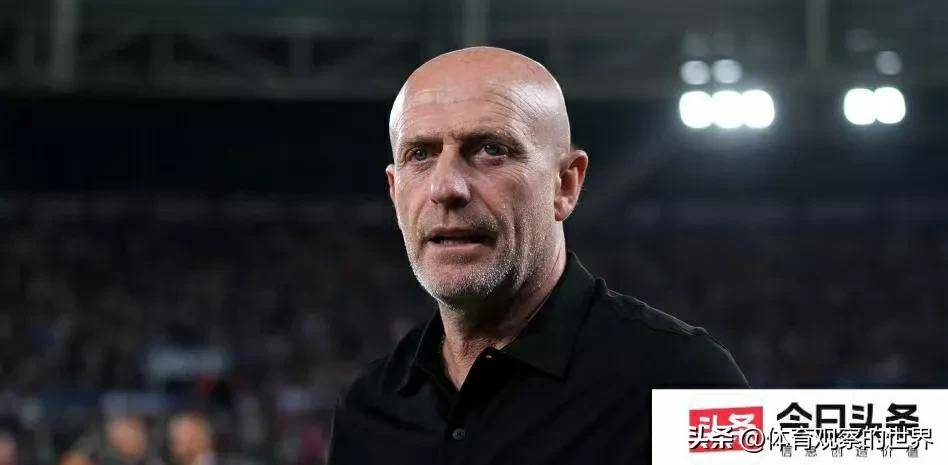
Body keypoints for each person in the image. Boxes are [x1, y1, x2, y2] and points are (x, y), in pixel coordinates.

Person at [327, 46, 748, 465]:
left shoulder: (690, 379)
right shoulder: (367, 407)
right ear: (395, 191)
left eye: (490, 149)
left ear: (565, 185)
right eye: (420, 155)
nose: (445, 188)